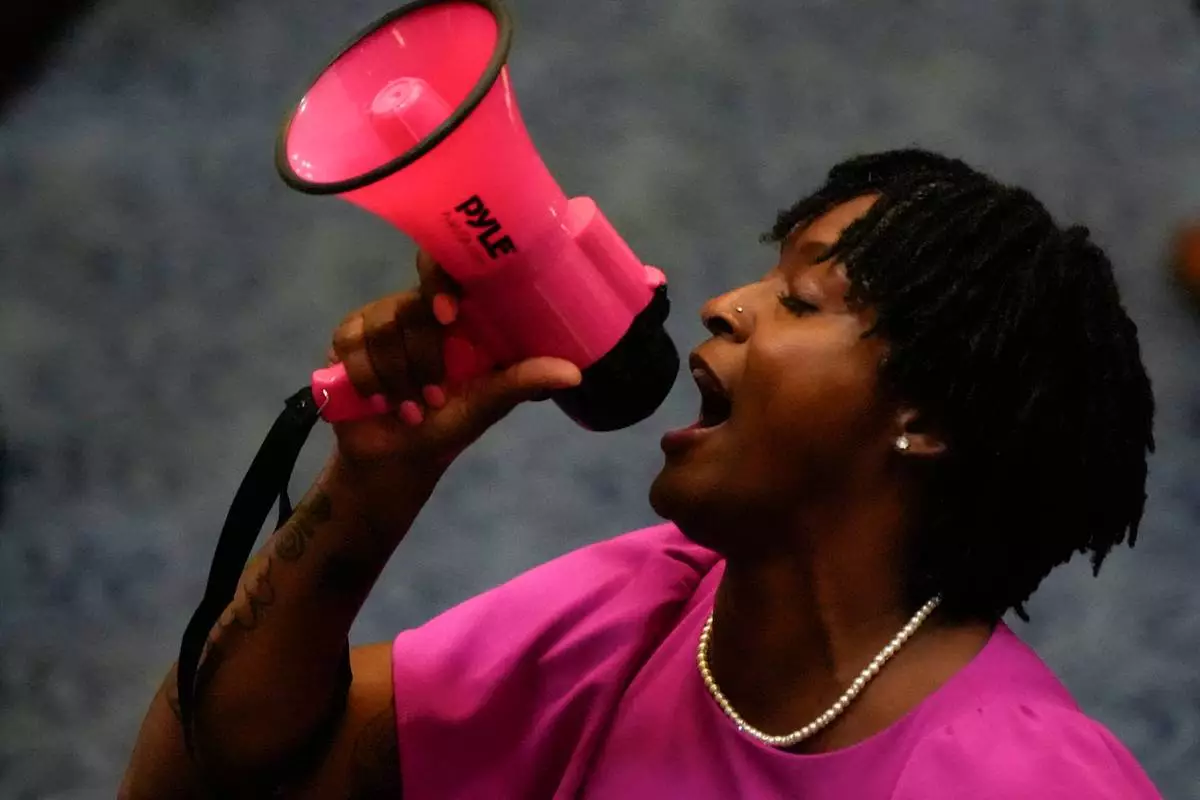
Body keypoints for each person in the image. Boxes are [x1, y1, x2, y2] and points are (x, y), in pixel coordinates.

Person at [121, 149, 1162, 798]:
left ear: (927, 416)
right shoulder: (649, 612)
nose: (724, 303)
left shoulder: (1018, 776)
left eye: (801, 299)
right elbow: (213, 768)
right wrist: (377, 480)